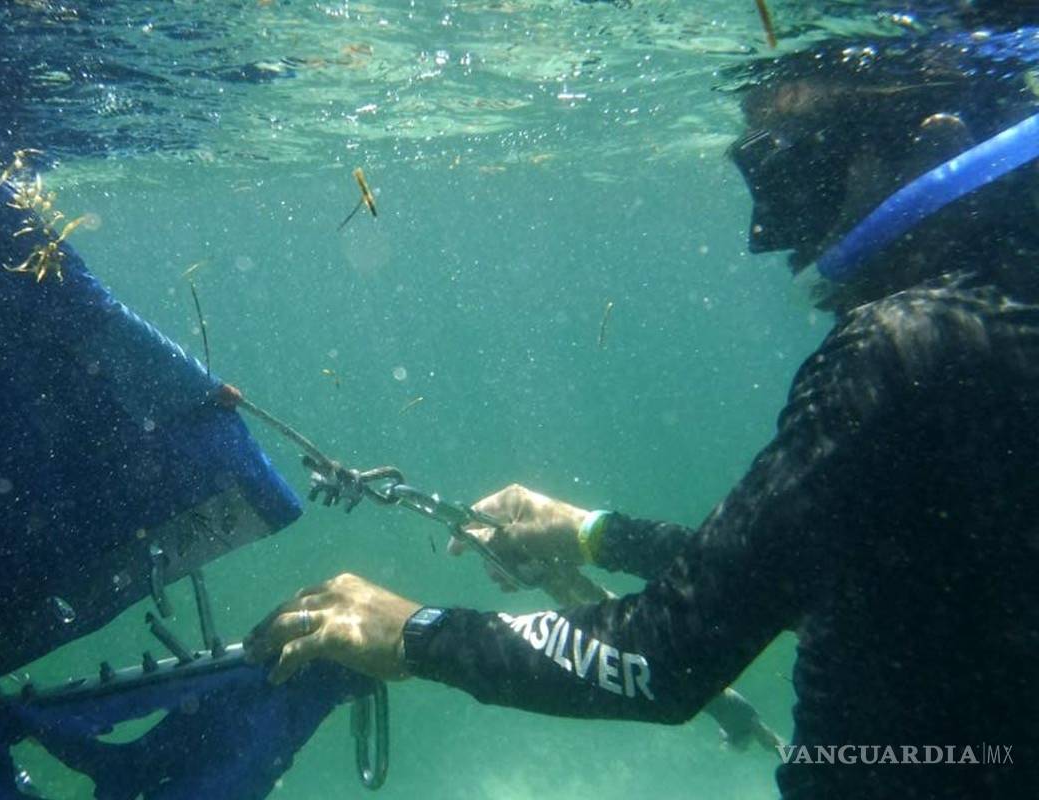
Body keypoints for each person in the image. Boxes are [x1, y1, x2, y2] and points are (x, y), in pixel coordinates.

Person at [245, 24, 1039, 800]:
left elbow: (664, 657)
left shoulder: (899, 347)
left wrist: (415, 634)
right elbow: (816, 570)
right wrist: (593, 534)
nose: (771, 234)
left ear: (934, 142)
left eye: (795, 174)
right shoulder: (997, 323)